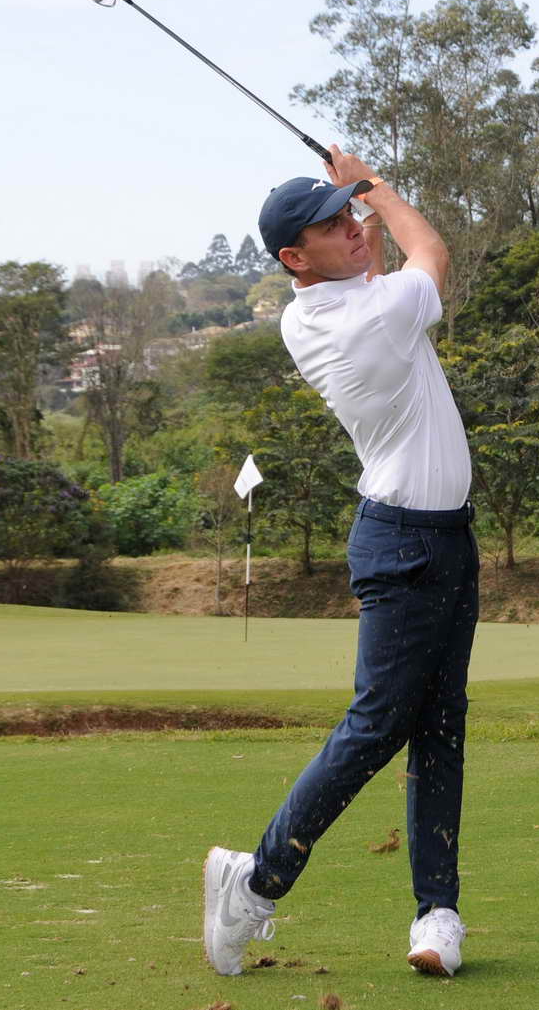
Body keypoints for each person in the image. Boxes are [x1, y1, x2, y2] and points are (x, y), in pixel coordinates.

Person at [202, 145, 477, 979]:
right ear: (294, 257)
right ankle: (256, 880)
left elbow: (376, 270)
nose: (352, 226)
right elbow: (433, 254)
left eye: (348, 212)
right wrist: (378, 185)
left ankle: (436, 913)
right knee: (378, 725)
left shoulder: (317, 310)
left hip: (443, 536)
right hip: (406, 542)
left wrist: (356, 209)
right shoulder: (373, 318)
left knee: (440, 726)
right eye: (332, 224)